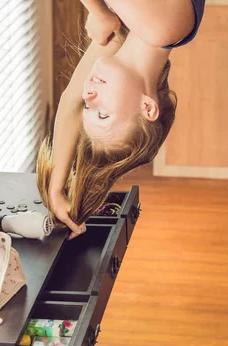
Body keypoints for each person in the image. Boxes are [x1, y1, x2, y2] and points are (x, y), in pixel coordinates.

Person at [37, 0, 205, 239]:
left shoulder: (127, 36)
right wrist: (99, 13)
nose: (88, 94)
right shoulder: (162, 28)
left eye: (88, 107)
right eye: (103, 114)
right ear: (147, 107)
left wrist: (56, 190)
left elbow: (70, 102)